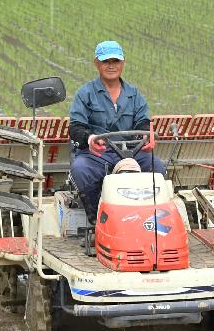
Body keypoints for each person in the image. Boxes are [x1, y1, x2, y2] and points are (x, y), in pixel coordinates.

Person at [69, 40, 165, 223]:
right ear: (97, 63)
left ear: (123, 63)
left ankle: (148, 218)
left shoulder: (134, 94)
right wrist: (90, 139)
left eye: (115, 61)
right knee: (81, 169)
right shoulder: (85, 93)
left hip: (131, 153)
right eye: (106, 61)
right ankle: (98, 219)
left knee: (157, 168)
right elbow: (76, 127)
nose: (111, 66)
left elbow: (143, 122)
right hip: (98, 154)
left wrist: (146, 137)